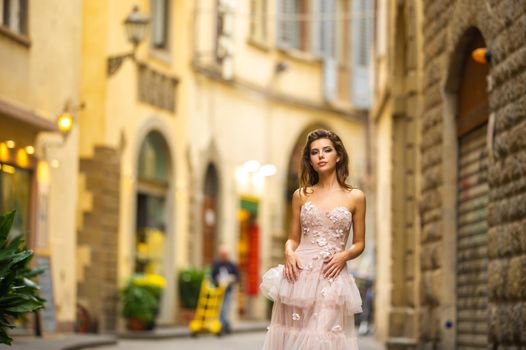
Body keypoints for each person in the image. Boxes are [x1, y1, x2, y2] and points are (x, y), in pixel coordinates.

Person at [260, 129, 366, 349]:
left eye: (327, 150)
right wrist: (289, 252)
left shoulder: (356, 197)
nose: (321, 156)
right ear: (309, 160)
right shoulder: (301, 195)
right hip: (299, 276)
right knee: (294, 337)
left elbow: (359, 243)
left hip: (332, 275)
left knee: (321, 336)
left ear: (338, 156)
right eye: (314, 152)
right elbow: (292, 239)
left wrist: (344, 256)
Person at [211, 244, 239, 334]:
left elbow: (237, 278)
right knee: (219, 309)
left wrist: (231, 279)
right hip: (218, 290)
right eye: (222, 255)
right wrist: (217, 280)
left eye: (225, 255)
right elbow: (212, 276)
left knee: (224, 308)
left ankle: (221, 327)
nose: (223, 256)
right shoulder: (216, 264)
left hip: (227, 290)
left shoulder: (232, 265)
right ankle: (226, 325)